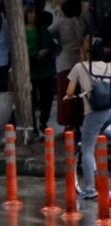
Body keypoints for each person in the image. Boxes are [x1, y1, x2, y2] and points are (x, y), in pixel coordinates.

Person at [65, 36, 111, 200]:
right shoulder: (109, 67)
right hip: (109, 112)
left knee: (87, 150)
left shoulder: (79, 67)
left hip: (93, 114)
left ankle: (90, 188)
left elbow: (70, 92)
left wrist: (68, 97)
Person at [51, 0, 87, 134]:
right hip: (78, 59)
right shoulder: (81, 23)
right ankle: (78, 121)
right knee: (79, 93)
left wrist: (56, 47)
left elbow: (48, 33)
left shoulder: (60, 23)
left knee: (66, 93)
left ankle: (68, 122)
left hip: (64, 59)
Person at [25, 4, 55, 132]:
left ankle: (43, 121)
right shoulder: (20, 30)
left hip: (43, 69)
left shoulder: (42, 29)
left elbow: (51, 46)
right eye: (29, 12)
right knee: (30, 100)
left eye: (34, 12)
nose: (32, 15)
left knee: (46, 98)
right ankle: (32, 124)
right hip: (28, 69)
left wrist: (45, 51)